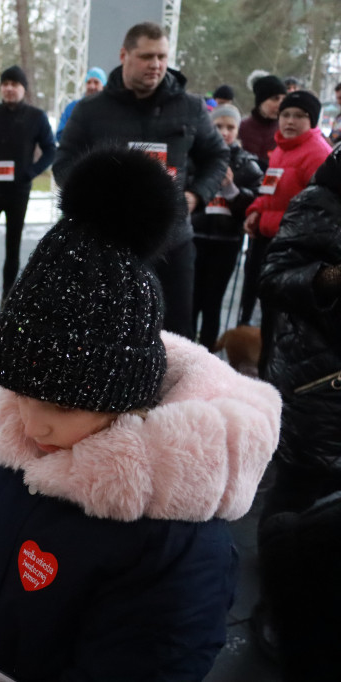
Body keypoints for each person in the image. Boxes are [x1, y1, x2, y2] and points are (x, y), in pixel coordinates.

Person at [0, 148, 280, 682]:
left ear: (127, 397)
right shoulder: (4, 441)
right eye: (19, 392)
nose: (33, 423)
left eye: (63, 406)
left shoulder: (174, 544)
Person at [55, 21, 229, 339]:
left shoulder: (190, 108)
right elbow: (64, 165)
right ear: (124, 55)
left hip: (174, 244)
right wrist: (95, 205)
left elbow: (217, 157)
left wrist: (197, 195)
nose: (156, 65)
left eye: (162, 56)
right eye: (147, 56)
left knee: (177, 339)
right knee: (107, 337)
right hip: (109, 247)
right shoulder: (90, 110)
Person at [257, 144, 341, 682]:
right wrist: (331, 277)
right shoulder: (323, 199)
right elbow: (274, 275)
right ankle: (275, 606)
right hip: (318, 376)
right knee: (297, 490)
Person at [242, 91, 332, 327]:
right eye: (285, 114)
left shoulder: (318, 154)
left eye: (299, 116)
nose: (290, 121)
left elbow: (318, 211)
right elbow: (270, 191)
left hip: (296, 250)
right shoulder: (281, 148)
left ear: (312, 120)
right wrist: (256, 210)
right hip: (268, 240)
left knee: (280, 320)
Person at [0, 64, 56, 293]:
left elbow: (50, 150)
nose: (9, 89)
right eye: (5, 84)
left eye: (14, 84)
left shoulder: (36, 117)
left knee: (12, 246)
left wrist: (30, 172)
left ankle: (7, 297)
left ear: (23, 88)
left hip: (19, 190)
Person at [191, 104, 263, 350]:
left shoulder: (247, 164)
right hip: (195, 238)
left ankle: (209, 354)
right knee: (191, 301)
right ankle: (189, 352)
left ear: (237, 130)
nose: (224, 132)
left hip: (226, 243)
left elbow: (253, 205)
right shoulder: (195, 158)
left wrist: (231, 190)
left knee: (213, 303)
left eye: (230, 127)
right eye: (218, 126)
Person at [240, 73, 287, 170]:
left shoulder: (287, 129)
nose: (280, 104)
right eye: (275, 98)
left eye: (284, 99)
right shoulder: (241, 128)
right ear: (261, 101)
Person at [54, 66, 106, 142]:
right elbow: (60, 135)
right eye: (89, 82)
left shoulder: (109, 109)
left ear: (103, 85)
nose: (92, 86)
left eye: (96, 82)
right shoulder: (73, 107)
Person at [329, 81, 341, 145]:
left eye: (340, 98)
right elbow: (332, 136)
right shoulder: (338, 118)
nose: (339, 101)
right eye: (338, 98)